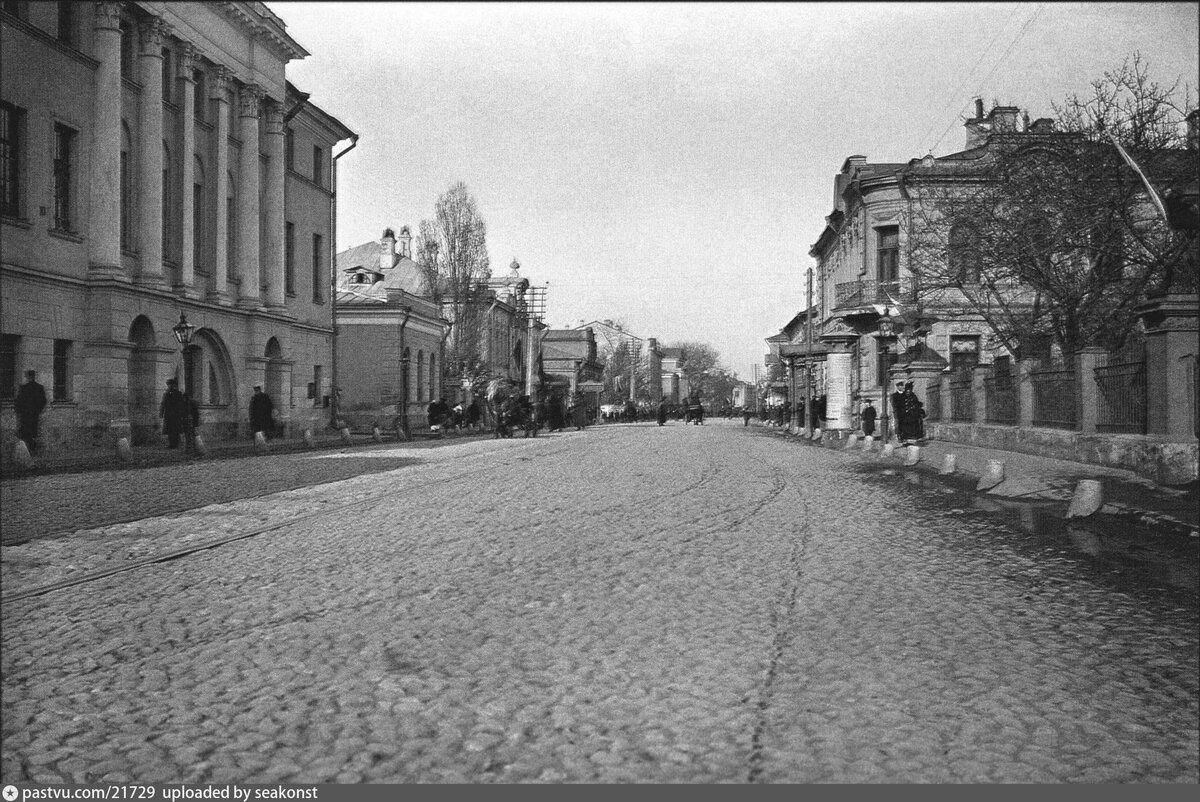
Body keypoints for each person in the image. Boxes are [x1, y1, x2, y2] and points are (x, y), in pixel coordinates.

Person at [14, 370, 48, 453]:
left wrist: (20, 412)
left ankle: (29, 450)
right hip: (33, 415)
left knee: (25, 432)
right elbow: (43, 401)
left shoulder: (24, 388)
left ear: (28, 377)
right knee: (32, 432)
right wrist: (37, 410)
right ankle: (32, 449)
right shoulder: (39, 387)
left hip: (25, 415)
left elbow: (18, 401)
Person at [159, 379, 189, 448]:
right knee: (169, 430)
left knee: (175, 430)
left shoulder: (178, 393)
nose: (170, 386)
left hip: (176, 415)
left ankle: (175, 444)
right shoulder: (166, 394)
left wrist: (182, 413)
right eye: (169, 385)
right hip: (168, 414)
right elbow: (163, 404)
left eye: (171, 384)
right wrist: (161, 413)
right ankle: (171, 444)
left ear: (174, 385)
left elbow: (181, 404)